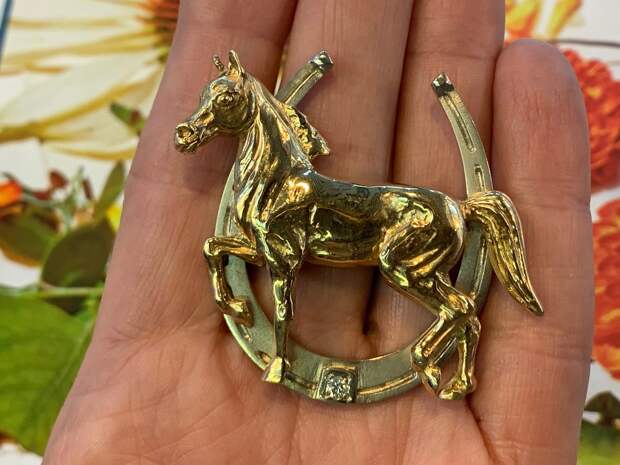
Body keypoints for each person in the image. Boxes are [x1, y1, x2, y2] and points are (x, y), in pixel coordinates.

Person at [43, 1, 593, 464]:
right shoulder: (275, 186)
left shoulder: (298, 194)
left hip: (397, 223)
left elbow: (278, 266)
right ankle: (447, 349)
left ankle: (326, 352)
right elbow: (256, 246)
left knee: (403, 271)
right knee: (221, 246)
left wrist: (278, 354)